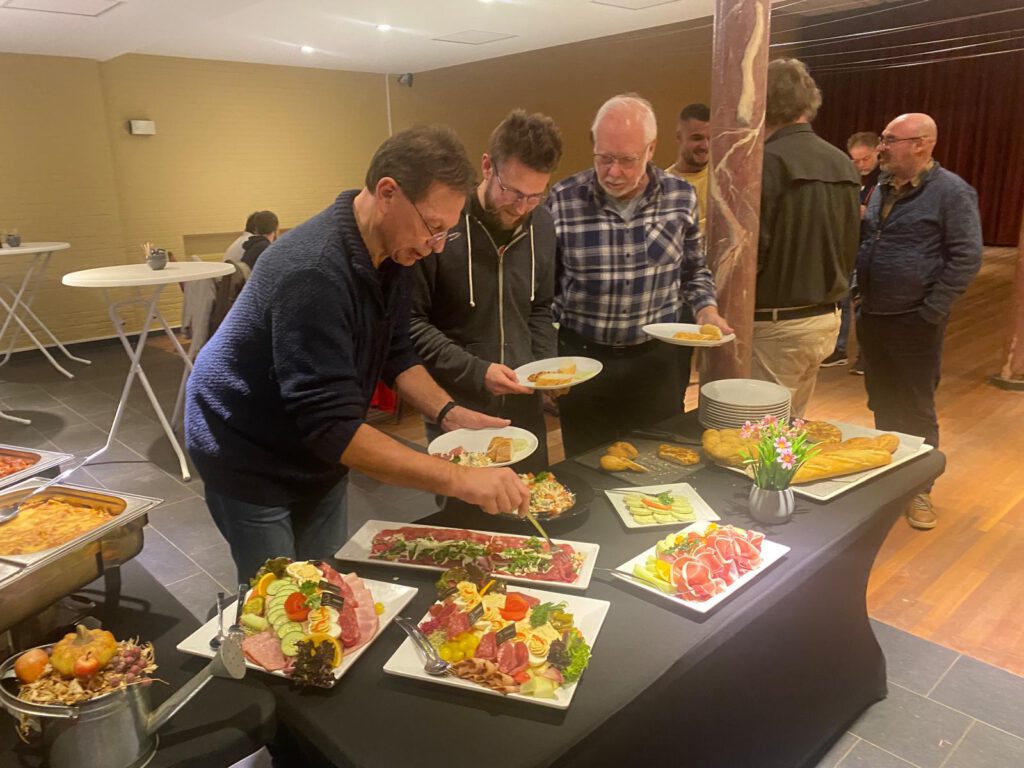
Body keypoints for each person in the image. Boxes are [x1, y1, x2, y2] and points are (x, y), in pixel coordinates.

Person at [185, 126, 532, 583]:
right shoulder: (314, 271)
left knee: (327, 580)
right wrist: (459, 479)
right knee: (279, 598)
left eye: (446, 232)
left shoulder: (395, 250)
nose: (435, 245)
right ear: (387, 192)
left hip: (314, 446)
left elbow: (396, 350)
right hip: (246, 445)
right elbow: (331, 428)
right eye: (433, 227)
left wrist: (447, 412)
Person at [547, 93, 731, 457]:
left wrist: (706, 310)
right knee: (586, 464)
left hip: (656, 363)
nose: (613, 172)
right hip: (583, 360)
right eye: (604, 158)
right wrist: (547, 357)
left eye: (627, 160)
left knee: (659, 460)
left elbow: (693, 269)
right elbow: (544, 291)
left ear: (651, 149)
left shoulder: (680, 197)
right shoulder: (563, 200)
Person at [410, 110, 562, 471]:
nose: (522, 208)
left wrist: (546, 365)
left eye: (535, 196)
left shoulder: (542, 224)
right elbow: (412, 323)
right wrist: (478, 371)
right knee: (464, 504)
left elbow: (540, 307)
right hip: (456, 402)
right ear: (487, 166)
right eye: (512, 192)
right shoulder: (444, 222)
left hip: (524, 403)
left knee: (533, 496)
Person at [855, 113, 982, 530]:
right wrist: (858, 288)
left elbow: (967, 256)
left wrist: (933, 309)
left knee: (915, 407)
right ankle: (891, 477)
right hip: (874, 315)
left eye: (890, 140)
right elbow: (868, 241)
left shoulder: (952, 192)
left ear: (922, 144)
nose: (881, 147)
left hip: (916, 321)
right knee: (882, 401)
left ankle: (920, 489)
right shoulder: (881, 187)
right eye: (883, 139)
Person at [753, 59, 860, 418]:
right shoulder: (842, 162)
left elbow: (752, 256)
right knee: (786, 431)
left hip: (776, 325)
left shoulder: (766, 162)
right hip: (826, 320)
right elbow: (851, 244)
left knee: (753, 436)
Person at [821, 131, 880, 372]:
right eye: (855, 160)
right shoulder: (850, 177)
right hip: (848, 246)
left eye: (866, 159)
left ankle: (867, 356)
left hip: (872, 249)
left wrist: (867, 213)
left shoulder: (885, 181)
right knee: (842, 300)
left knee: (865, 305)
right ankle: (838, 349)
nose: (860, 165)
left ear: (878, 152)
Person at [665, 102, 711, 233]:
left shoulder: (723, 181)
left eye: (710, 138)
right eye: (697, 138)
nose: (705, 146)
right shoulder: (663, 187)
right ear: (679, 137)